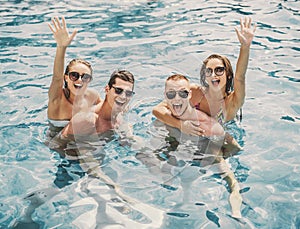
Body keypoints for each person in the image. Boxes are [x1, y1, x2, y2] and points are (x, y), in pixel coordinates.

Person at [139, 74, 243, 219]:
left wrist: (219, 155)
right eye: (171, 94)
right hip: (178, 149)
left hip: (205, 151)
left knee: (232, 182)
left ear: (189, 95)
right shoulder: (165, 116)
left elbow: (234, 147)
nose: (176, 98)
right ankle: (183, 197)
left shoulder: (206, 125)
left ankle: (236, 215)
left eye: (183, 93)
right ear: (165, 96)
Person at [152, 17, 256, 136]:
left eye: (219, 70)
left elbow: (240, 77)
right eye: (208, 71)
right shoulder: (194, 92)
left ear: (228, 75)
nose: (213, 75)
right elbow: (158, 110)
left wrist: (245, 47)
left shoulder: (232, 102)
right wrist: (180, 126)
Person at [47, 16, 101, 138]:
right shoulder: (57, 99)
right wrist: (61, 47)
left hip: (85, 140)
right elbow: (56, 78)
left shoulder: (92, 96)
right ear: (66, 77)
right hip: (60, 145)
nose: (80, 80)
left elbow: (106, 113)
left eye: (85, 77)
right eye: (74, 75)